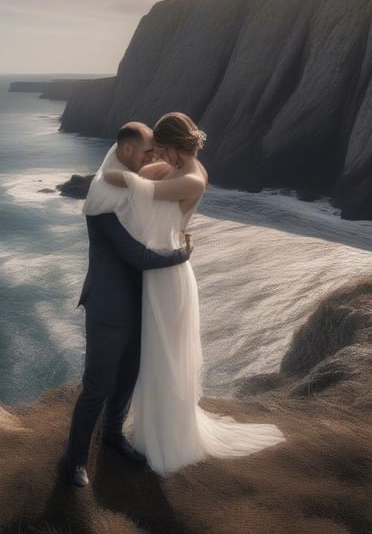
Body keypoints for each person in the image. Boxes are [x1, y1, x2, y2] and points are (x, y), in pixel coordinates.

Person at [104, 112, 285, 474]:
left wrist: (120, 163)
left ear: (174, 146)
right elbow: (139, 177)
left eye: (162, 149)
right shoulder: (175, 170)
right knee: (153, 354)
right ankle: (150, 430)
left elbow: (126, 181)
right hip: (158, 267)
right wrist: (146, 161)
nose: (159, 156)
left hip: (168, 274)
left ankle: (168, 439)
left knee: (165, 357)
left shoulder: (190, 180)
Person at [66, 122, 192, 488]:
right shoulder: (104, 199)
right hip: (108, 309)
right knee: (97, 386)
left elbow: (169, 185)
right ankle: (75, 461)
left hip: (140, 305)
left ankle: (112, 436)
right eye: (146, 151)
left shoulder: (129, 187)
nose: (152, 156)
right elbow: (136, 255)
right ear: (125, 151)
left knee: (127, 378)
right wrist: (181, 255)